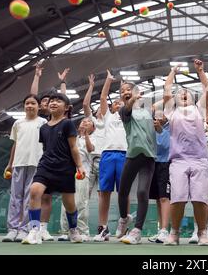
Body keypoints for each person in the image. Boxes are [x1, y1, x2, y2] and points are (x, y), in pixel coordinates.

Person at [22, 93, 86, 245]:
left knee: (69, 204)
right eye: (51, 101)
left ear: (66, 108)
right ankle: (34, 230)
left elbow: (73, 147)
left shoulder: (67, 124)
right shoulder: (43, 128)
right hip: (46, 166)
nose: (54, 103)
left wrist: (80, 166)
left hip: (65, 168)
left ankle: (73, 229)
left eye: (58, 101)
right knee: (35, 190)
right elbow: (46, 148)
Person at [163, 60, 208, 246]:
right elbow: (167, 88)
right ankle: (174, 233)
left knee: (200, 198)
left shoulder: (199, 110)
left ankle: (202, 233)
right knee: (178, 198)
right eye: (180, 94)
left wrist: (200, 71)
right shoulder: (171, 112)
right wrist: (172, 72)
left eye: (187, 94)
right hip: (178, 161)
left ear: (193, 99)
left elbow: (207, 89)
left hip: (200, 160)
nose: (183, 95)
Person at [29, 64, 70, 241]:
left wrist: (62, 82)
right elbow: (33, 96)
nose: (48, 103)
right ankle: (32, 229)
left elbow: (64, 99)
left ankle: (43, 228)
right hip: (36, 160)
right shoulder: (38, 118)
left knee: (48, 197)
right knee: (35, 194)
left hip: (54, 163)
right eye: (44, 101)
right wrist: (37, 76)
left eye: (52, 100)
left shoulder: (61, 120)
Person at [2, 94, 47, 243]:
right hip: (18, 164)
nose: (29, 106)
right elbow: (15, 145)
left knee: (30, 198)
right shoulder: (18, 123)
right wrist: (10, 163)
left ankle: (24, 229)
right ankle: (12, 229)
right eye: (27, 103)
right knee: (16, 197)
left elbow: (47, 144)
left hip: (36, 164)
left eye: (33, 103)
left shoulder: (43, 122)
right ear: (24, 106)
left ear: (39, 106)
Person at [117, 81, 157, 245]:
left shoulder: (148, 111)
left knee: (142, 192)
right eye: (123, 90)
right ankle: (124, 218)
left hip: (149, 157)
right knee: (122, 192)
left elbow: (158, 128)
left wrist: (159, 125)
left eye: (129, 89)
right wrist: (131, 99)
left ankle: (137, 230)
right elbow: (127, 109)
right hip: (133, 155)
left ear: (138, 92)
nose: (125, 92)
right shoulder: (124, 110)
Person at [94, 70, 131, 242]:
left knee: (124, 192)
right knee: (105, 192)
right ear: (111, 107)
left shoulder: (129, 115)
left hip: (125, 155)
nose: (117, 104)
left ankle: (125, 225)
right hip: (108, 155)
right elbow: (102, 99)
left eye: (120, 102)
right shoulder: (107, 116)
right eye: (114, 102)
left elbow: (130, 100)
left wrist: (127, 90)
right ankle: (103, 228)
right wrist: (108, 80)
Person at [58, 117, 95, 242]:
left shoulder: (94, 137)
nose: (85, 122)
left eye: (89, 121)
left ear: (93, 128)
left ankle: (83, 231)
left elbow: (91, 149)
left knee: (80, 202)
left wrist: (86, 135)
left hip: (82, 173)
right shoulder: (72, 138)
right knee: (66, 202)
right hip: (68, 172)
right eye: (83, 121)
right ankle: (65, 231)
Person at [148, 108, 171, 244]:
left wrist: (160, 130)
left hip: (165, 164)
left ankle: (165, 229)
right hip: (153, 163)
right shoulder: (150, 129)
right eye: (155, 116)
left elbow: (167, 145)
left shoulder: (170, 128)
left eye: (161, 115)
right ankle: (160, 230)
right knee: (157, 198)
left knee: (164, 197)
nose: (158, 118)